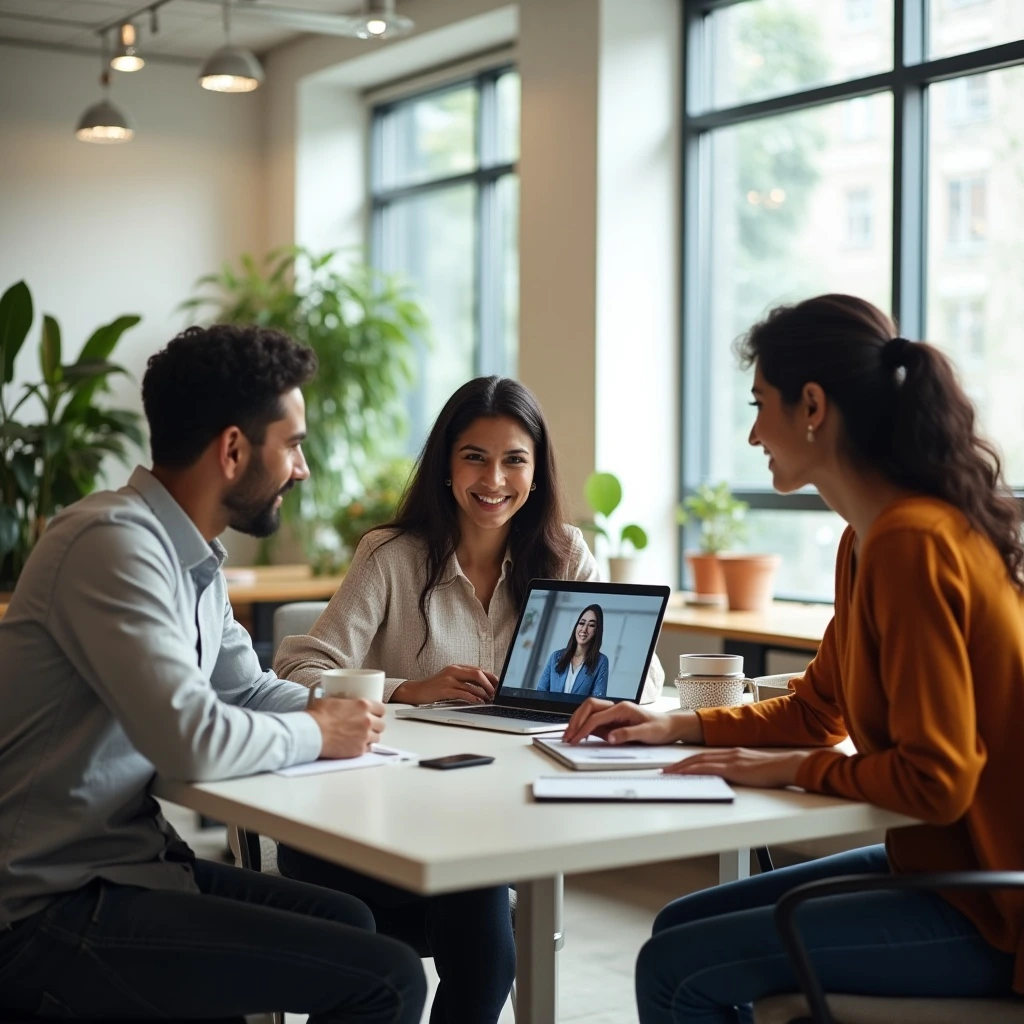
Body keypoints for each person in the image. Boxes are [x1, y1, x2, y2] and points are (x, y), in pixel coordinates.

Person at [564, 294, 1024, 1023]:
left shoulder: (914, 541)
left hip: (998, 909)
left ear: (812, 405)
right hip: (946, 872)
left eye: (759, 404)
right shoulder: (866, 540)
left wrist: (788, 769)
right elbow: (818, 711)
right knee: (678, 927)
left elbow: (936, 780)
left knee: (673, 968)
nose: (752, 434)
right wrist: (669, 725)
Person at [0, 324, 426, 1023]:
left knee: (355, 920)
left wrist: (380, 719)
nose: (303, 467)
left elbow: (246, 688)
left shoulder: (191, 557)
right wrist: (320, 732)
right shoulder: (111, 545)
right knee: (387, 979)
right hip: (45, 905)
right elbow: (190, 740)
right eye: (292, 444)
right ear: (233, 449)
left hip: (126, 865)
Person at [275, 374, 664, 1023]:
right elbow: (297, 666)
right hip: (365, 825)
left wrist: (604, 700)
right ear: (447, 469)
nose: (495, 478)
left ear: (536, 472)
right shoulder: (392, 555)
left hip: (488, 826)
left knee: (478, 902)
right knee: (479, 914)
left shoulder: (565, 554)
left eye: (515, 459)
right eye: (475, 457)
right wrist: (409, 691)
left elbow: (644, 675)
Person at [535, 603, 609, 697]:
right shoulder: (556, 657)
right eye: (581, 623)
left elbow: (598, 701)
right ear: (576, 626)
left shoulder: (601, 662)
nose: (584, 629)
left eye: (591, 625)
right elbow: (540, 692)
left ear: (596, 631)